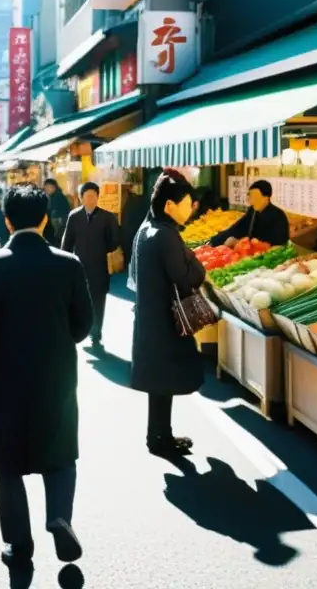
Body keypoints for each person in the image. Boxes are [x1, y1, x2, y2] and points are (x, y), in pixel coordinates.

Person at [0, 185, 94, 567]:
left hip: (3, 375)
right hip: (56, 373)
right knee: (60, 453)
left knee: (6, 461)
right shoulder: (68, 263)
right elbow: (83, 326)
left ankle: (19, 543)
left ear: (6, 219)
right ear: (46, 218)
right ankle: (59, 517)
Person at [130, 168, 207, 457]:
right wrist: (194, 259)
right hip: (165, 321)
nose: (191, 209)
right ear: (169, 205)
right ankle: (161, 437)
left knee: (158, 384)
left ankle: (159, 435)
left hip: (151, 318)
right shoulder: (166, 236)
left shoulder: (147, 231)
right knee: (164, 381)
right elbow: (186, 277)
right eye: (187, 203)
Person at [61, 181, 120, 348]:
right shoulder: (74, 216)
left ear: (98, 197)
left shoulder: (108, 217)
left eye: (93, 196)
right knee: (79, 300)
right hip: (79, 266)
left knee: (98, 300)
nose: (91, 199)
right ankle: (82, 329)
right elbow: (67, 242)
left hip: (99, 266)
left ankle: (96, 331)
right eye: (87, 196)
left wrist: (102, 249)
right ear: (81, 198)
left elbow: (114, 241)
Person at [208, 179, 290, 247]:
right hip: (250, 255)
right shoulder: (253, 212)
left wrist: (239, 244)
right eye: (250, 196)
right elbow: (236, 229)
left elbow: (277, 246)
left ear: (267, 197)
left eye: (255, 197)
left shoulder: (278, 216)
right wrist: (214, 241)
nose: (250, 200)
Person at [43, 178, 71, 247]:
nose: (46, 189)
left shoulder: (57, 197)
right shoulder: (53, 196)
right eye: (45, 187)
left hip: (58, 228)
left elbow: (52, 212)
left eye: (48, 187)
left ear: (53, 187)